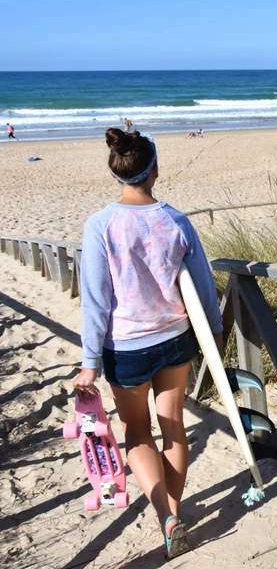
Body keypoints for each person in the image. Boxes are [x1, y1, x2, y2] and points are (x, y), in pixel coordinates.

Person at [72, 128, 224, 560]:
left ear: (116, 172)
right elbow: (204, 286)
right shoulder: (175, 220)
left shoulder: (100, 225)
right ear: (154, 169)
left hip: (126, 348)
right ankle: (172, 513)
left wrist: (89, 363)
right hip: (176, 339)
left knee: (137, 432)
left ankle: (167, 517)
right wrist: (213, 333)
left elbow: (96, 299)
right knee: (173, 425)